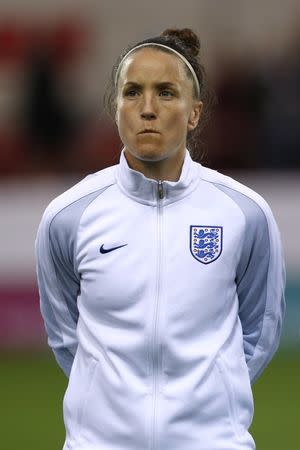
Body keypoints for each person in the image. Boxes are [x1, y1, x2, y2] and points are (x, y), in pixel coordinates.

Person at [35, 28, 286, 450]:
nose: (147, 108)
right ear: (115, 108)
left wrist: (207, 401)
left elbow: (261, 331)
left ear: (194, 112)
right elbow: (65, 336)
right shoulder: (68, 217)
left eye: (166, 92)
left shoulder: (245, 213)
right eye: (132, 92)